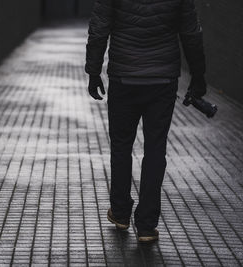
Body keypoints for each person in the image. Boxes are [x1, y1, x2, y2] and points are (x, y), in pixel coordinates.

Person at [85, 0, 207, 242]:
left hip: (123, 77)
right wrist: (199, 75)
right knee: (155, 149)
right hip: (162, 80)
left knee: (120, 147)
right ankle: (146, 225)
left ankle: (120, 213)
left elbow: (99, 27)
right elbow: (190, 32)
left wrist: (93, 71)